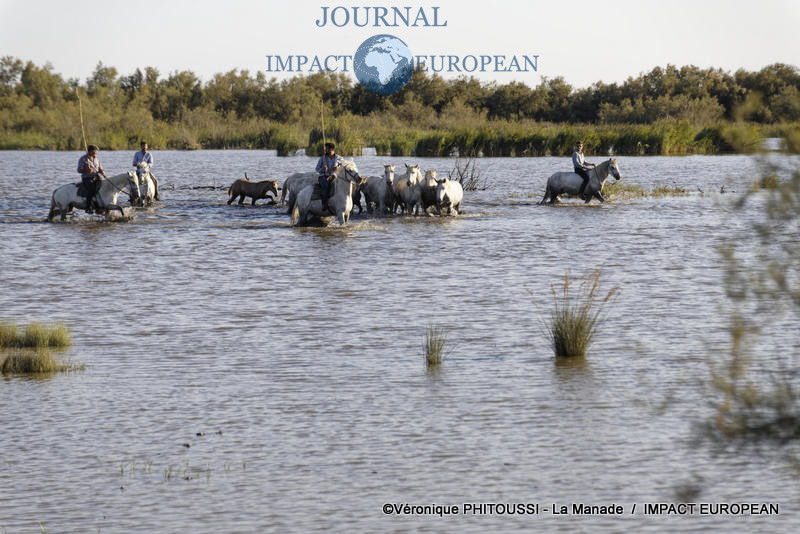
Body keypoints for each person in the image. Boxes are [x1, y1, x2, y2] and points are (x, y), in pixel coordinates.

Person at [77, 144, 107, 213]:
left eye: (96, 152)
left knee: (104, 187)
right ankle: (88, 208)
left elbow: (100, 168)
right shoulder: (83, 159)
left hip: (96, 177)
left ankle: (101, 205)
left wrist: (102, 172)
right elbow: (79, 170)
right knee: (91, 190)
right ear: (90, 151)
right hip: (87, 178)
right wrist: (86, 170)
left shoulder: (96, 159)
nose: (96, 153)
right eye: (95, 151)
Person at [315, 142, 343, 212]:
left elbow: (344, 165)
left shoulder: (339, 158)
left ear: (331, 149)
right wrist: (322, 169)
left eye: (326, 149)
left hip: (335, 176)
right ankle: (324, 204)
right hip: (324, 176)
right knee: (325, 186)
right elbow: (317, 169)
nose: (325, 150)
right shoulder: (322, 158)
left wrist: (338, 167)